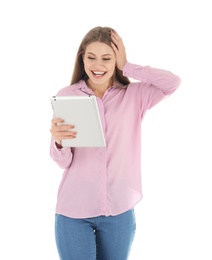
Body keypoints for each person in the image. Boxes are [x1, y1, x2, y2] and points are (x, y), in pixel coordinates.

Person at [50, 26, 181, 260]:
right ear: (82, 58)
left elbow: (172, 82)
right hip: (73, 211)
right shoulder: (68, 95)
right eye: (91, 57)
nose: (97, 65)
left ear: (116, 61)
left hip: (119, 211)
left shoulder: (135, 95)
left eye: (106, 58)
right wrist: (59, 141)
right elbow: (63, 161)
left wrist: (128, 66)